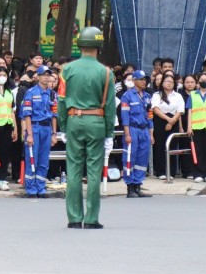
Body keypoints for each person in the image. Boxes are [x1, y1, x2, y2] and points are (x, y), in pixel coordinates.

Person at [60, 27, 115, 229]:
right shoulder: (106, 72)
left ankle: (74, 217)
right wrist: (109, 133)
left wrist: (63, 126)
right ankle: (91, 218)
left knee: (73, 169)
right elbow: (110, 105)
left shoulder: (66, 70)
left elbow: (61, 100)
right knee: (94, 171)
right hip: (97, 122)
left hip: (74, 120)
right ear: (99, 46)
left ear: (79, 43)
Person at [20, 66, 58, 198]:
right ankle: (31, 188)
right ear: (38, 76)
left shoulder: (52, 94)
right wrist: (29, 134)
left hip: (47, 128)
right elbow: (27, 115)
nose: (47, 77)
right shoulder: (31, 92)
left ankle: (41, 187)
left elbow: (54, 115)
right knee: (32, 159)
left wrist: (54, 134)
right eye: (44, 75)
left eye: (49, 75)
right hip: (34, 127)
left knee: (43, 160)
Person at [120, 70, 153, 197]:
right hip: (132, 129)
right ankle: (130, 188)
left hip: (144, 130)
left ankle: (138, 185)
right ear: (134, 81)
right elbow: (125, 117)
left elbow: (150, 116)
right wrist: (127, 134)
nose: (144, 82)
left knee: (142, 158)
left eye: (145, 79)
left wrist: (151, 134)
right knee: (130, 157)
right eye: (141, 79)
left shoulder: (147, 97)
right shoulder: (127, 96)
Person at [151, 74, 184, 180]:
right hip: (160, 120)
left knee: (172, 146)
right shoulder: (157, 94)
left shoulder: (178, 96)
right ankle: (160, 171)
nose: (169, 83)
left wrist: (172, 121)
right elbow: (155, 109)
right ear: (162, 83)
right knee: (159, 146)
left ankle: (171, 171)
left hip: (173, 121)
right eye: (167, 81)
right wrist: (167, 119)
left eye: (171, 81)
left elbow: (180, 110)